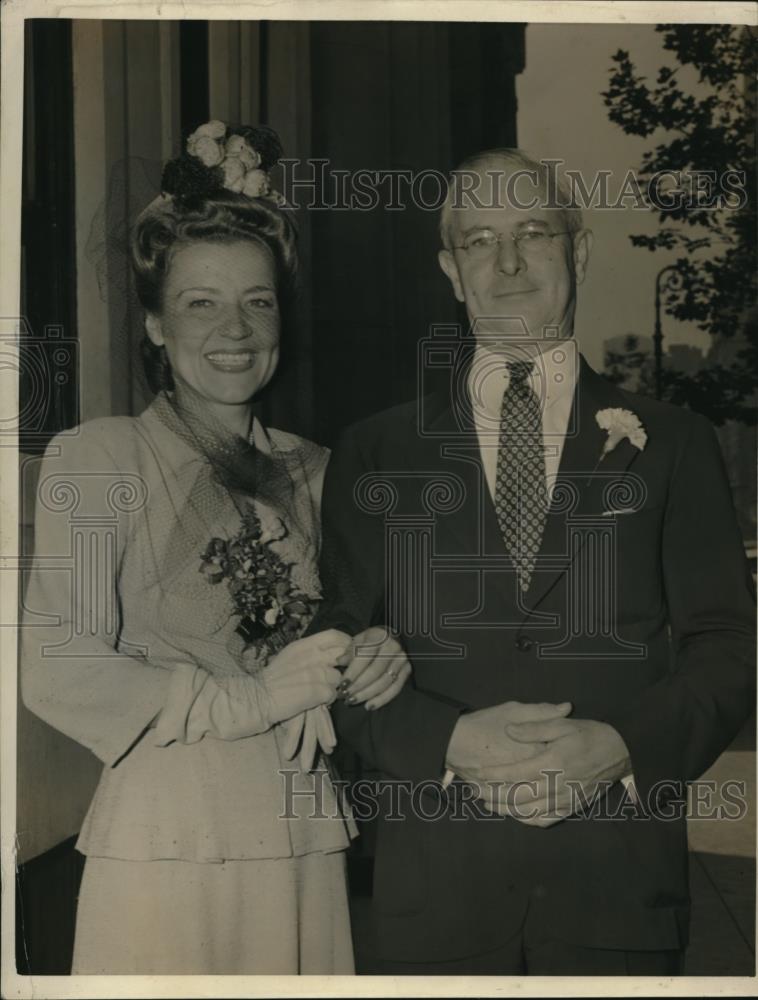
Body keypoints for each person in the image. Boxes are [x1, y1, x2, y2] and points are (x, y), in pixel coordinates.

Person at [310, 148, 756, 975]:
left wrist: (623, 744)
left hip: (618, 899)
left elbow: (730, 649)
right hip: (438, 905)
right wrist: (447, 743)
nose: (508, 262)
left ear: (578, 251)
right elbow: (330, 657)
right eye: (480, 240)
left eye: (534, 232)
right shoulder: (375, 451)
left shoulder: (675, 443)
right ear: (451, 269)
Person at [20, 120, 411, 975]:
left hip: (303, 835)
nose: (234, 329)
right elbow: (57, 667)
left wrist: (377, 656)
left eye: (258, 300)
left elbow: (340, 643)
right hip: (167, 846)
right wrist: (249, 701)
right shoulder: (99, 457)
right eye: (200, 302)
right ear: (156, 325)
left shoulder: (321, 472)